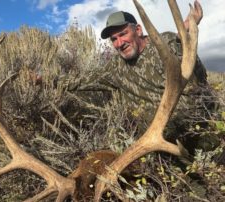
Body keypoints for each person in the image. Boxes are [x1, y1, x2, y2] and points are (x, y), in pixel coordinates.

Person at [57, 1, 218, 153]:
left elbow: (200, 80)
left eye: (123, 34)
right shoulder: (115, 68)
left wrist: (181, 38)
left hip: (199, 133)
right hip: (156, 146)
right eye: (114, 39)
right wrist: (48, 82)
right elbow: (81, 82)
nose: (120, 43)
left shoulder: (168, 43)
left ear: (138, 30)